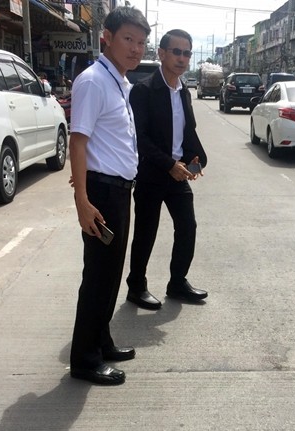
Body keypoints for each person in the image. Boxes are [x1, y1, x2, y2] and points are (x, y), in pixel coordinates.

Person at [68, 6, 150, 385]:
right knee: (98, 278)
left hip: (118, 190)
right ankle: (85, 360)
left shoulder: (118, 81)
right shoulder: (93, 81)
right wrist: (83, 200)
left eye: (141, 41)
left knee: (110, 275)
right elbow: (79, 140)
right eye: (128, 39)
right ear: (108, 37)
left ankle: (101, 342)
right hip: (102, 193)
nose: (135, 48)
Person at [125, 29, 208, 310]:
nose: (182, 58)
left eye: (187, 53)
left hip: (178, 172)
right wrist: (168, 164)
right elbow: (140, 137)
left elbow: (188, 133)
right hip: (152, 173)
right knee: (146, 232)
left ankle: (177, 283)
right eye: (177, 52)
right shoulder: (144, 90)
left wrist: (196, 161)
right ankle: (136, 286)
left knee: (188, 227)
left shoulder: (184, 91)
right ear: (161, 53)